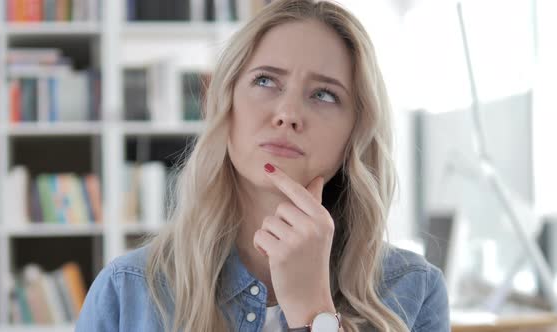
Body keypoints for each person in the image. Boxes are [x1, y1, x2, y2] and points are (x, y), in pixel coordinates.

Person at [76, 0, 450, 331]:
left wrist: (313, 312)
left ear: (355, 133)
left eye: (324, 94)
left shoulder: (413, 291)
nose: (288, 114)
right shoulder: (127, 291)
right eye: (266, 80)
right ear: (226, 104)